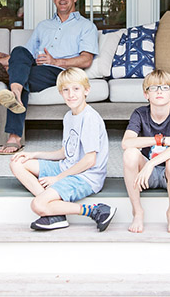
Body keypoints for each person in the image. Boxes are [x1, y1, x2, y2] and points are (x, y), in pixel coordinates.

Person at [0, 0, 98, 155]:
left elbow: (86, 60)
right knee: (19, 51)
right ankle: (17, 92)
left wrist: (56, 61)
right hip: (36, 68)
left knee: (22, 76)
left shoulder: (86, 26)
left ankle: (14, 136)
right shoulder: (44, 26)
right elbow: (25, 55)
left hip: (61, 72)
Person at [9, 68, 115, 232]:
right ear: (60, 92)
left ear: (86, 90)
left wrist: (57, 178)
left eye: (76, 89)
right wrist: (33, 154)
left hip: (86, 177)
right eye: (66, 90)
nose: (70, 94)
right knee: (18, 163)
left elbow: (90, 160)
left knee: (38, 205)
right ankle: (55, 214)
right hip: (68, 167)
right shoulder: (69, 116)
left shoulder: (90, 118)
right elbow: (66, 152)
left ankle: (95, 210)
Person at [121, 69, 170, 233]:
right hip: (145, 176)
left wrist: (151, 164)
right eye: (153, 88)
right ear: (146, 95)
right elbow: (126, 142)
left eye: (165, 88)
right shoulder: (139, 114)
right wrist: (162, 140)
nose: (159, 91)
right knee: (129, 154)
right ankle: (137, 212)